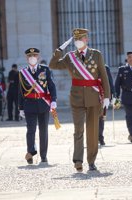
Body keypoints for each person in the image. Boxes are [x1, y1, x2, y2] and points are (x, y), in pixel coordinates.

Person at [49, 28, 110, 171]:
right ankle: (78, 160)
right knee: (78, 129)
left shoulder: (96, 55)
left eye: (80, 39)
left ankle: (91, 161)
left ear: (86, 40)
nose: (78, 42)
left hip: (94, 97)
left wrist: (107, 96)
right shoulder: (70, 57)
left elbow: (103, 75)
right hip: (77, 98)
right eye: (75, 40)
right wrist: (60, 49)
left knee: (92, 130)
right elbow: (53, 65)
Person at [18, 48, 57, 164]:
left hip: (43, 104)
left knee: (43, 130)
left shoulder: (45, 70)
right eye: (30, 56)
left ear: (38, 57)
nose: (32, 57)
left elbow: (52, 86)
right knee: (31, 130)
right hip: (29, 105)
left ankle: (43, 155)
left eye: (34, 55)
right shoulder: (22, 73)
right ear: (26, 58)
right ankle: (31, 152)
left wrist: (53, 100)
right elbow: (20, 92)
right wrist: (20, 108)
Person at [98, 64, 115, 146]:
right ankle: (92, 137)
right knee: (91, 118)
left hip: (102, 96)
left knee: (101, 117)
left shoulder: (105, 67)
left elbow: (110, 82)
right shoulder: (86, 66)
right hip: (90, 96)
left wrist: (112, 95)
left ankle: (100, 137)